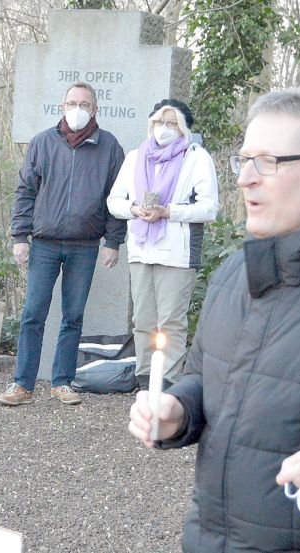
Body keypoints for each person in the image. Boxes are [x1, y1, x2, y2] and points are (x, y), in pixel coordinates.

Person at [129, 87, 300, 552]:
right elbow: (206, 377)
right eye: (243, 160)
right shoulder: (234, 272)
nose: (245, 179)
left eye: (268, 162)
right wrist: (178, 410)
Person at [0, 81, 125, 407]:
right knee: (33, 314)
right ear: (62, 107)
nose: (78, 109)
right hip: (44, 243)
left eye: (84, 104)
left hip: (85, 245)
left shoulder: (110, 147)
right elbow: (25, 192)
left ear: (95, 109)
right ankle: (22, 384)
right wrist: (20, 237)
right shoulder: (41, 143)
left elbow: (117, 198)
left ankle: (63, 381)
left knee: (72, 316)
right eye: (72, 103)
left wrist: (113, 241)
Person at [107, 99, 218, 390]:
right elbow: (114, 201)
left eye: (172, 123)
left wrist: (169, 211)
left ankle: (167, 380)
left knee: (171, 321)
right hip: (142, 249)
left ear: (183, 128)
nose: (164, 129)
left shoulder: (197, 157)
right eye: (159, 122)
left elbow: (209, 208)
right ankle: (145, 379)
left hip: (178, 254)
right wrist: (134, 209)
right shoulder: (135, 157)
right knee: (142, 319)